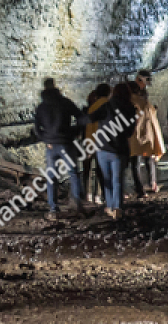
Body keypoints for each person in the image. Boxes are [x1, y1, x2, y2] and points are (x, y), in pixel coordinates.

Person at [34, 77, 89, 219]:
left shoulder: (41, 107)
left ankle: (53, 209)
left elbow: (36, 128)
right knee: (73, 173)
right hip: (66, 143)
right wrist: (75, 132)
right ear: (54, 86)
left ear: (44, 88)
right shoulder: (64, 102)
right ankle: (76, 204)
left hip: (51, 146)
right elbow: (81, 117)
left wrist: (46, 139)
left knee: (52, 177)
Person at [93, 78, 136, 219]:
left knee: (107, 180)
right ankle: (117, 207)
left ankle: (110, 206)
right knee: (117, 180)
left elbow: (91, 119)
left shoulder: (106, 106)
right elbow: (130, 132)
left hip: (103, 148)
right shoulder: (131, 108)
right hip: (120, 149)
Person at [127, 70, 165, 195]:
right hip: (140, 132)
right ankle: (149, 185)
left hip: (138, 133)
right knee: (143, 160)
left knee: (140, 160)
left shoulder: (139, 98)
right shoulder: (136, 99)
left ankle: (145, 186)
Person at [82, 83, 111, 205]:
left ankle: (87, 194)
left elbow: (89, 127)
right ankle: (99, 195)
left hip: (90, 142)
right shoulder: (108, 106)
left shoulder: (91, 108)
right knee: (101, 171)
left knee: (87, 171)